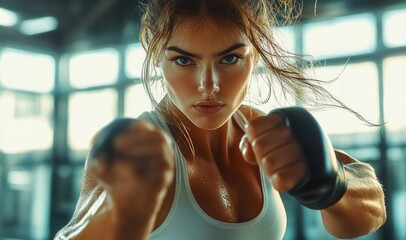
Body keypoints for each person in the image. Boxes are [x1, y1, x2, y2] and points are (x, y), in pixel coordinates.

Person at [55, 0, 386, 239]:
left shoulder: (261, 130)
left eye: (230, 58)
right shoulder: (139, 152)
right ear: (157, 56)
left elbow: (369, 213)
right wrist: (112, 222)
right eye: (184, 60)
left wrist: (332, 184)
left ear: (254, 54)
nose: (208, 85)